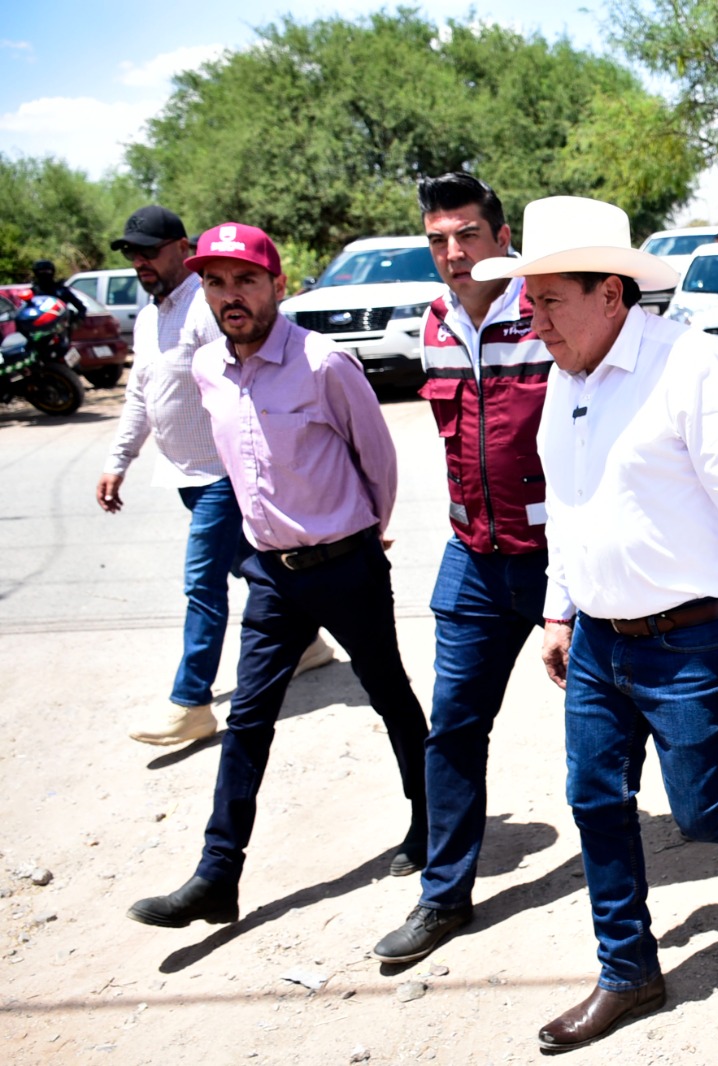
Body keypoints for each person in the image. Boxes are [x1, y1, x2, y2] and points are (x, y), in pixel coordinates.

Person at [472, 196, 718, 1052]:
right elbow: (568, 506)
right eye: (528, 302)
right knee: (595, 800)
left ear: (611, 294)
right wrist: (560, 611)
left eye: (549, 300)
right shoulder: (564, 378)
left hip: (692, 638)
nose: (536, 320)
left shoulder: (690, 366)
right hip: (599, 641)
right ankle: (627, 969)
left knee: (703, 809)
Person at [125, 223, 429, 929]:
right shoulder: (209, 370)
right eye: (215, 283)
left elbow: (376, 459)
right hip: (271, 576)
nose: (231, 297)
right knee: (248, 721)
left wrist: (365, 531)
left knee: (389, 693)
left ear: (278, 285)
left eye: (245, 281)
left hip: (347, 563)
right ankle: (216, 875)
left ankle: (430, 825)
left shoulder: (324, 364)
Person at [371, 173, 556, 962]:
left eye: (467, 236)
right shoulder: (436, 322)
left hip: (559, 564)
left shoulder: (545, 310)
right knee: (452, 731)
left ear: (502, 237)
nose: (453, 254)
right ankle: (444, 896)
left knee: (615, 736)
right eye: (439, 240)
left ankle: (689, 838)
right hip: (473, 561)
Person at [99, 206, 331, 748]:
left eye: (149, 251)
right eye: (132, 253)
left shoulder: (206, 310)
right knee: (252, 568)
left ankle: (192, 702)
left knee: (202, 584)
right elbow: (140, 393)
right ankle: (308, 643)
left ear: (181, 249)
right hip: (185, 473)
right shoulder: (152, 316)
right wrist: (118, 460)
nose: (139, 262)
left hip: (224, 475)